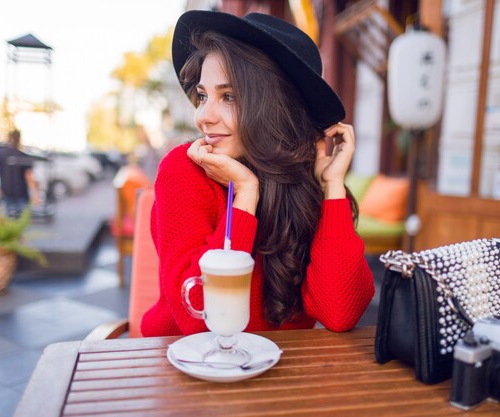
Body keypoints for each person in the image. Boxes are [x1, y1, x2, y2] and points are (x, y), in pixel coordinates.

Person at [141, 11, 374, 337]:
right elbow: (200, 318)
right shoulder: (184, 170)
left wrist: (332, 186)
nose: (203, 116)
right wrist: (245, 195)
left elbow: (340, 313)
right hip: (183, 365)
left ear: (277, 108)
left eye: (229, 96)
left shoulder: (305, 180)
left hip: (275, 372)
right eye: (203, 95)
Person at [0, 129, 40, 218]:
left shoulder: (1, 154)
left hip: (6, 193)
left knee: (8, 222)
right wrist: (36, 195)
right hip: (21, 195)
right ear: (19, 139)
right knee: (22, 222)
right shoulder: (24, 156)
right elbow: (29, 177)